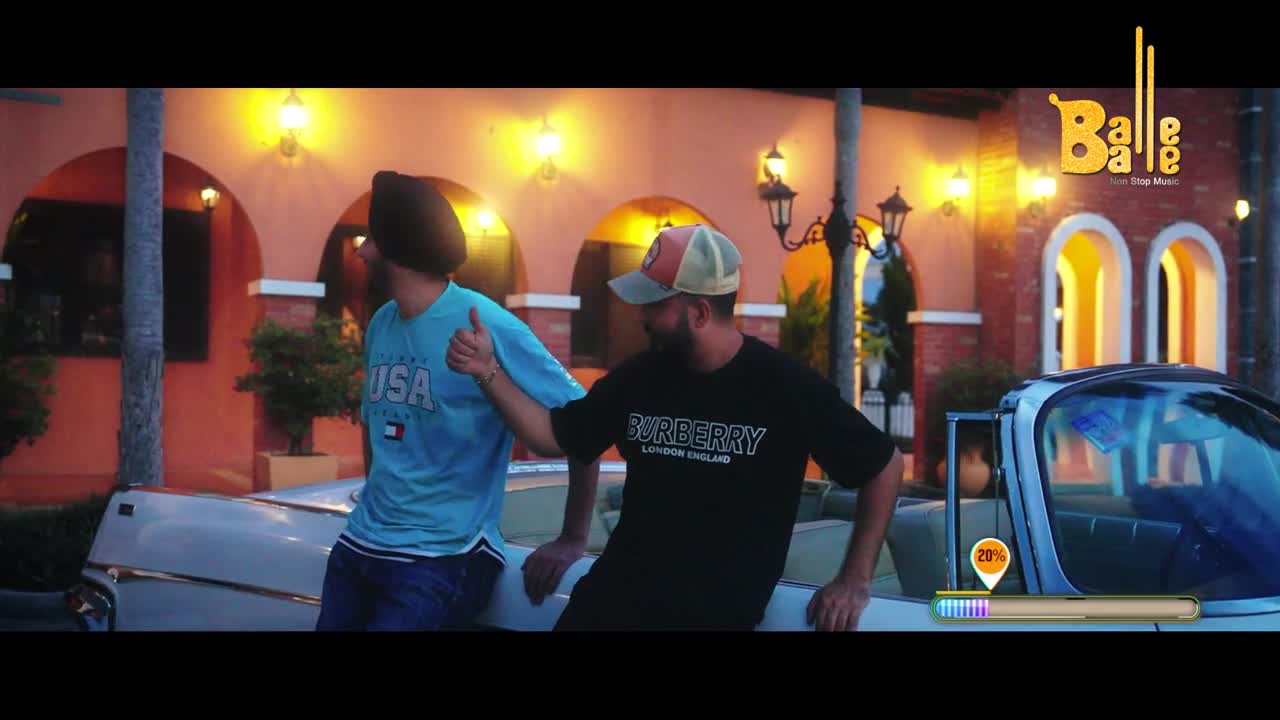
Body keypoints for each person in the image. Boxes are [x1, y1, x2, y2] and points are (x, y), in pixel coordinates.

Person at [446, 223, 904, 631]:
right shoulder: (640, 376)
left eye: (655, 304)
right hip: (611, 603)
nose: (640, 315)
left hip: (711, 616)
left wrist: (854, 580)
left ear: (700, 312)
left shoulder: (785, 387)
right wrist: (487, 370)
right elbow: (556, 435)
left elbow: (883, 465)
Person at [315, 170, 599, 631]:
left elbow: (587, 423)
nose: (362, 250)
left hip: (443, 558)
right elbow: (376, 430)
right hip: (361, 545)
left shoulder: (486, 323)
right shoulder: (383, 322)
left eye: (372, 239)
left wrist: (572, 538)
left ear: (395, 249)